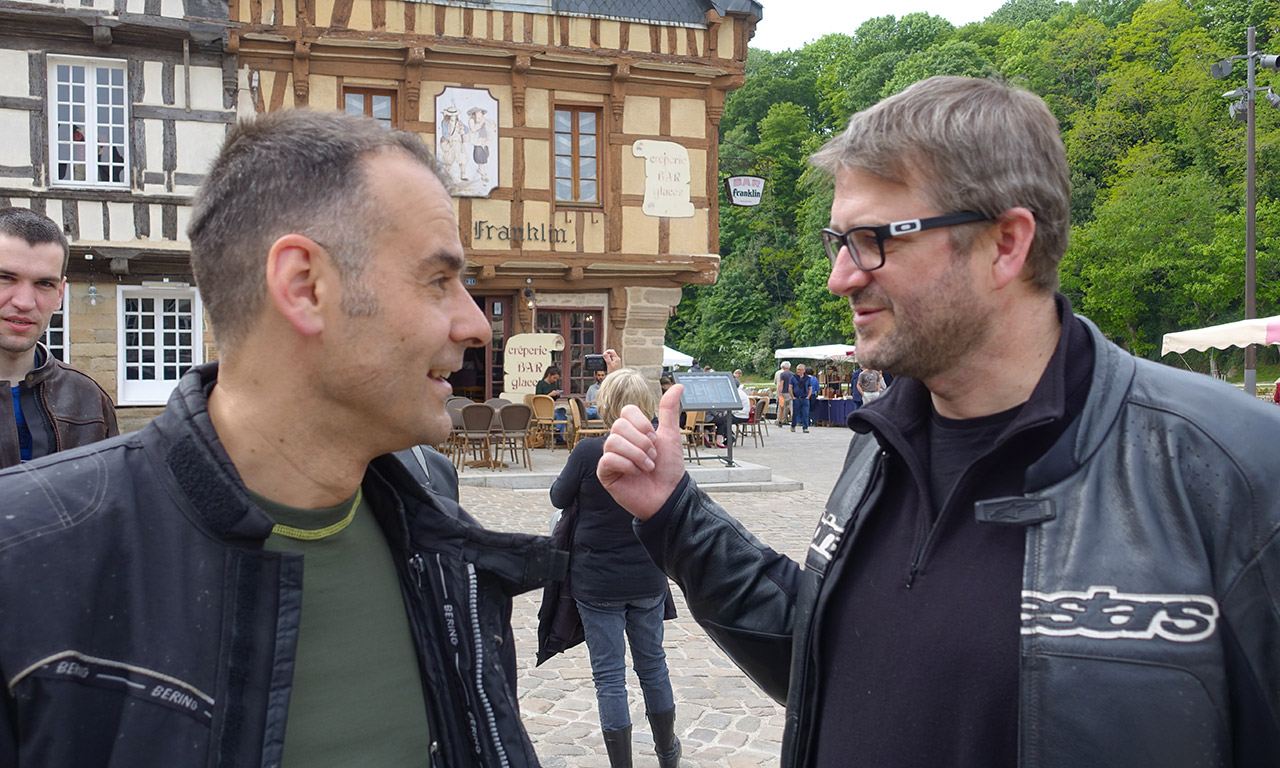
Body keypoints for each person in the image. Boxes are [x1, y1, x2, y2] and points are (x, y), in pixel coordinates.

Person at [597, 76, 1280, 767]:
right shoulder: (882, 442)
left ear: (1006, 243)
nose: (841, 275)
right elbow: (837, 660)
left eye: (871, 239)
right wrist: (676, 516)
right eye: (840, 239)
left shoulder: (1234, 472)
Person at [0, 110, 564, 766]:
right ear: (304, 287)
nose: (476, 326)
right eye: (438, 280)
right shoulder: (22, 555)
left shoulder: (438, 528)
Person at [549, 368, 681, 768]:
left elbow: (558, 497)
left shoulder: (590, 452)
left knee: (609, 678)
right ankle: (667, 753)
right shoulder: (660, 452)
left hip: (598, 581)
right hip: (646, 577)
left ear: (602, 405)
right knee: (653, 665)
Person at [0, 207, 117, 468]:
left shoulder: (89, 398)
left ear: (60, 293)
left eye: (44, 284)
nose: (24, 302)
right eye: (5, 278)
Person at [537, 364, 568, 444]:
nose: (555, 380)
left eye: (556, 379)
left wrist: (556, 395)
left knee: (562, 412)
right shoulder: (540, 384)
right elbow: (538, 400)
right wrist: (549, 395)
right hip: (543, 412)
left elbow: (552, 400)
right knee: (562, 417)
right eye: (554, 378)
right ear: (549, 375)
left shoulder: (553, 385)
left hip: (551, 410)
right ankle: (558, 436)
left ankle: (558, 433)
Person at [788, 363, 813, 432]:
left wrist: (808, 396)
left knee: (805, 413)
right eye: (797, 369)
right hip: (796, 398)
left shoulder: (807, 378)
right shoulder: (793, 378)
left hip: (805, 398)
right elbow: (790, 388)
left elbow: (810, 388)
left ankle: (805, 427)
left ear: (804, 370)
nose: (798, 371)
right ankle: (793, 425)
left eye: (800, 370)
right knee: (795, 413)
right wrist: (793, 397)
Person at [774, 360, 793, 426]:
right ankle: (793, 421)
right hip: (790, 393)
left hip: (782, 393)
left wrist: (779, 394)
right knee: (791, 407)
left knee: (781, 407)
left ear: (782, 366)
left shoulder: (780, 373)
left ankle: (780, 421)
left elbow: (780, 384)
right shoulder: (792, 374)